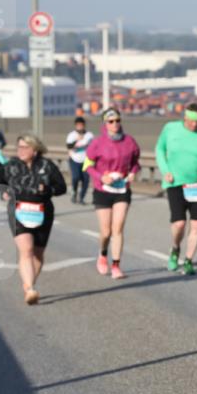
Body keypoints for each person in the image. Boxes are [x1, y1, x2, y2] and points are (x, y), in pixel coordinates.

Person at [1, 134, 67, 305]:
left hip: (43, 212)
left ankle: (29, 283)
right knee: (26, 249)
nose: (21, 151)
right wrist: (2, 191)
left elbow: (62, 187)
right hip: (18, 210)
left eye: (25, 147)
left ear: (35, 150)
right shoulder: (11, 165)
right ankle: (30, 289)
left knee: (38, 254)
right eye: (19, 147)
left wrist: (48, 189)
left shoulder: (47, 165)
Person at [154, 102, 197, 276]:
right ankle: (175, 249)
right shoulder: (170, 128)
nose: (194, 125)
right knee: (179, 223)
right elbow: (160, 149)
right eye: (191, 121)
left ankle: (188, 260)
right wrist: (165, 171)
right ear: (185, 117)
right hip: (175, 183)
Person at [85, 108, 140, 280]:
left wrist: (133, 172)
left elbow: (136, 163)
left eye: (117, 120)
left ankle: (116, 265)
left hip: (122, 190)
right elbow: (87, 166)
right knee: (106, 231)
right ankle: (102, 255)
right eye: (110, 121)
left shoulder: (130, 141)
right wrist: (101, 177)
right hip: (102, 191)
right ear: (105, 123)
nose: (114, 124)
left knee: (118, 228)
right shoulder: (97, 143)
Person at [65, 116, 94, 204]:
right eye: (78, 125)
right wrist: (76, 141)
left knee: (85, 179)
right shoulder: (72, 135)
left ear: (84, 125)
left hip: (86, 160)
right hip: (74, 159)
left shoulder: (89, 135)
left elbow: (94, 147)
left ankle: (81, 198)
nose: (80, 126)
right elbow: (68, 146)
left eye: (81, 125)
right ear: (75, 126)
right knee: (76, 177)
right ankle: (74, 192)